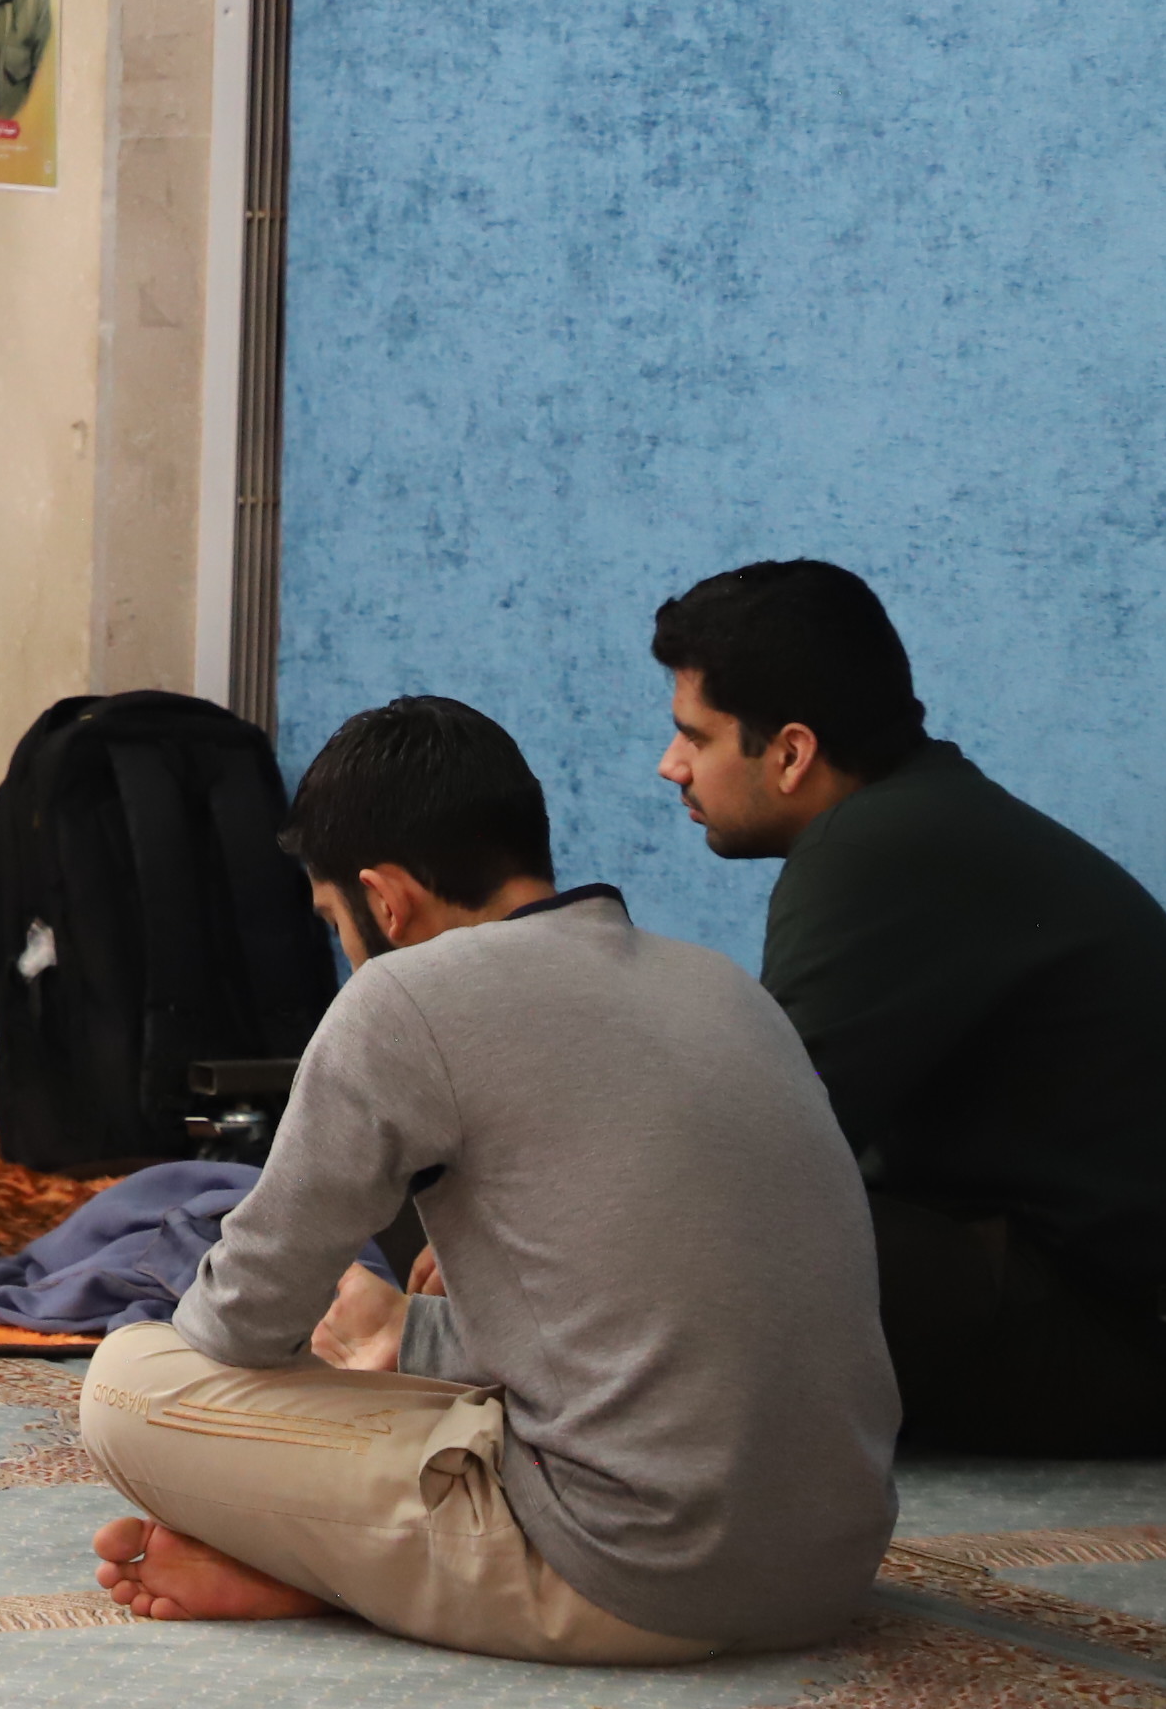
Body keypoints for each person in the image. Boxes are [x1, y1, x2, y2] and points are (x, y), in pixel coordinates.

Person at [81, 696, 894, 1664]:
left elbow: (239, 1324)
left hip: (633, 1575)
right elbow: (660, 1315)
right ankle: (338, 1562)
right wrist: (421, 1332)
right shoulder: (721, 984)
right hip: (831, 1562)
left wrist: (339, 1328)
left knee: (130, 1382)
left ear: (384, 900)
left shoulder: (402, 993)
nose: (348, 947)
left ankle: (330, 1563)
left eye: (336, 920)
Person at [656, 559, 1166, 1454]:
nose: (671, 765)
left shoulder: (878, 848)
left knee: (688, 1213)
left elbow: (764, 1140)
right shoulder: (921, 820)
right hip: (1103, 1312)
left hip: (1117, 1339)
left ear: (791, 753)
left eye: (694, 736)